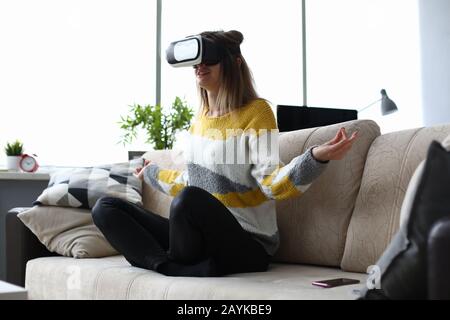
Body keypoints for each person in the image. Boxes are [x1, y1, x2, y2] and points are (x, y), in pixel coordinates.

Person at [92, 30, 358, 277]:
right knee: (106, 208)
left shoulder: (257, 112)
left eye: (209, 59)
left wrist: (316, 158)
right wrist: (151, 173)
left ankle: (173, 263)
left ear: (234, 63)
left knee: (188, 201)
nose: (200, 66)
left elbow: (271, 183)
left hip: (247, 244)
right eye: (197, 61)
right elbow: (193, 183)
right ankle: (172, 267)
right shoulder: (200, 121)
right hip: (198, 239)